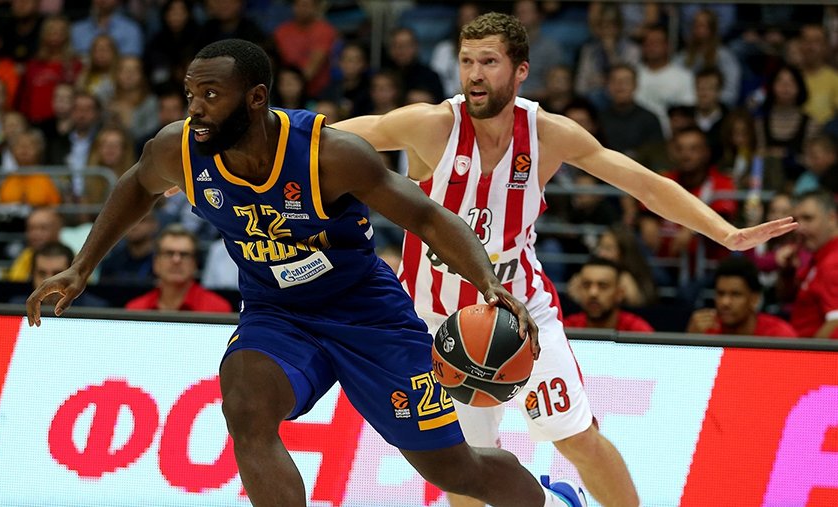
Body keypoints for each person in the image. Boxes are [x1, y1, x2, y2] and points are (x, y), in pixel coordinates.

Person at [26, 39, 588, 507]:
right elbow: (135, 186)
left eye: (211, 95)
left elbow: (425, 216)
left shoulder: (329, 155)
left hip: (367, 313)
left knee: (452, 468)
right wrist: (82, 266)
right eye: (191, 94)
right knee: (245, 404)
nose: (195, 108)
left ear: (256, 98)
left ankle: (553, 500)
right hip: (277, 314)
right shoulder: (180, 149)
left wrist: (488, 282)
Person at [333, 12, 796, 507]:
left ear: (521, 70)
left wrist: (725, 233)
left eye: (489, 62)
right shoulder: (431, 125)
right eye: (467, 61)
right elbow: (322, 139)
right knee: (464, 468)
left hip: (521, 314)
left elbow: (644, 184)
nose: (474, 74)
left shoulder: (548, 134)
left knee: (577, 438)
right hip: (439, 320)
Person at [124, 224, 232, 312]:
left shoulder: (217, 309)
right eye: (169, 253)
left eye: (184, 254)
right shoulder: (136, 309)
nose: (176, 260)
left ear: (195, 263)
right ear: (156, 262)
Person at [686, 256, 796, 337]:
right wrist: (692, 339)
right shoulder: (705, 331)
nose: (725, 302)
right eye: (720, 293)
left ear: (754, 299)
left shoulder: (778, 335)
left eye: (735, 294)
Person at [778, 190, 838, 338]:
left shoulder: (833, 262)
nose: (800, 228)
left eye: (808, 218)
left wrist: (806, 352)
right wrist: (787, 272)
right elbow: (788, 298)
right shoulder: (820, 258)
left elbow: (835, 323)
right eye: (797, 220)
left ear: (832, 218)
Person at [563, 257, 654, 332]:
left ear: (619, 293)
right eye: (586, 285)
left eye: (603, 286)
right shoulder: (565, 329)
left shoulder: (637, 330)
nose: (593, 293)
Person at [9, 241, 108, 307]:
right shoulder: (15, 308)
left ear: (71, 276)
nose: (48, 282)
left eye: (57, 274)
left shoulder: (96, 309)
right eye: (42, 274)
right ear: (32, 275)